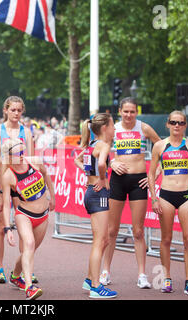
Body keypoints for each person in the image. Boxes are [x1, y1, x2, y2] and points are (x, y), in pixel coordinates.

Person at [101, 97, 161, 288]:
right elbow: (100, 150)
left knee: (138, 231)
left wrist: (155, 174)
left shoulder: (144, 128)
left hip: (139, 182)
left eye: (132, 111)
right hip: (117, 181)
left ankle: (142, 275)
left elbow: (162, 149)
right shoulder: (114, 129)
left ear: (137, 112)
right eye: (125, 111)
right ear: (119, 111)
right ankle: (105, 272)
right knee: (111, 230)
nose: (128, 115)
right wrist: (112, 162)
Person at [148, 110, 188, 295]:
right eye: (173, 122)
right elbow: (151, 173)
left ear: (185, 125)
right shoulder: (160, 146)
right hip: (166, 196)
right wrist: (154, 198)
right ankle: (167, 279)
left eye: (180, 122)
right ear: (167, 124)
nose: (177, 125)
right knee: (166, 239)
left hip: (186, 196)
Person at [1, 138, 55, 300]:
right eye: (18, 153)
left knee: (29, 251)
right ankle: (29, 287)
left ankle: (16, 275)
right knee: (29, 244)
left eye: (23, 151)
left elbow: (46, 176)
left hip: (43, 215)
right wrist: (7, 228)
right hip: (24, 215)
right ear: (9, 157)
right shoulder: (8, 176)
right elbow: (5, 205)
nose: (22, 155)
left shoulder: (35, 162)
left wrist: (52, 197)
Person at [0, 96, 35, 285]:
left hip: (22, 182)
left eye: (19, 110)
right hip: (3, 180)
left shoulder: (27, 132)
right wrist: (0, 191)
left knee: (27, 228)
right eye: (13, 110)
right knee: (2, 224)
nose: (16, 113)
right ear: (6, 110)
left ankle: (25, 269)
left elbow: (31, 159)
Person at [74, 113, 118, 299]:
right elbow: (101, 163)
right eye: (113, 126)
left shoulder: (91, 145)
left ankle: (89, 278)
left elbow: (78, 160)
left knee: (103, 239)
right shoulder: (103, 145)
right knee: (100, 241)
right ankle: (95, 286)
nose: (115, 129)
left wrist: (90, 177)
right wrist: (103, 178)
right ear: (105, 128)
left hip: (91, 192)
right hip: (98, 193)